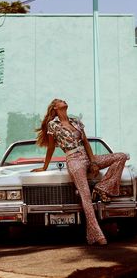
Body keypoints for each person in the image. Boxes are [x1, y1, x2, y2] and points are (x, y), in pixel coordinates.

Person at [32, 98, 128, 245]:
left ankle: (103, 187)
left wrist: (94, 162)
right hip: (74, 160)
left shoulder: (76, 121)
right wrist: (45, 167)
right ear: (55, 107)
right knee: (86, 195)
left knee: (121, 156)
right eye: (60, 101)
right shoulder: (53, 125)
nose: (64, 101)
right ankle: (97, 235)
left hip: (87, 157)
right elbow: (51, 147)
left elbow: (86, 143)